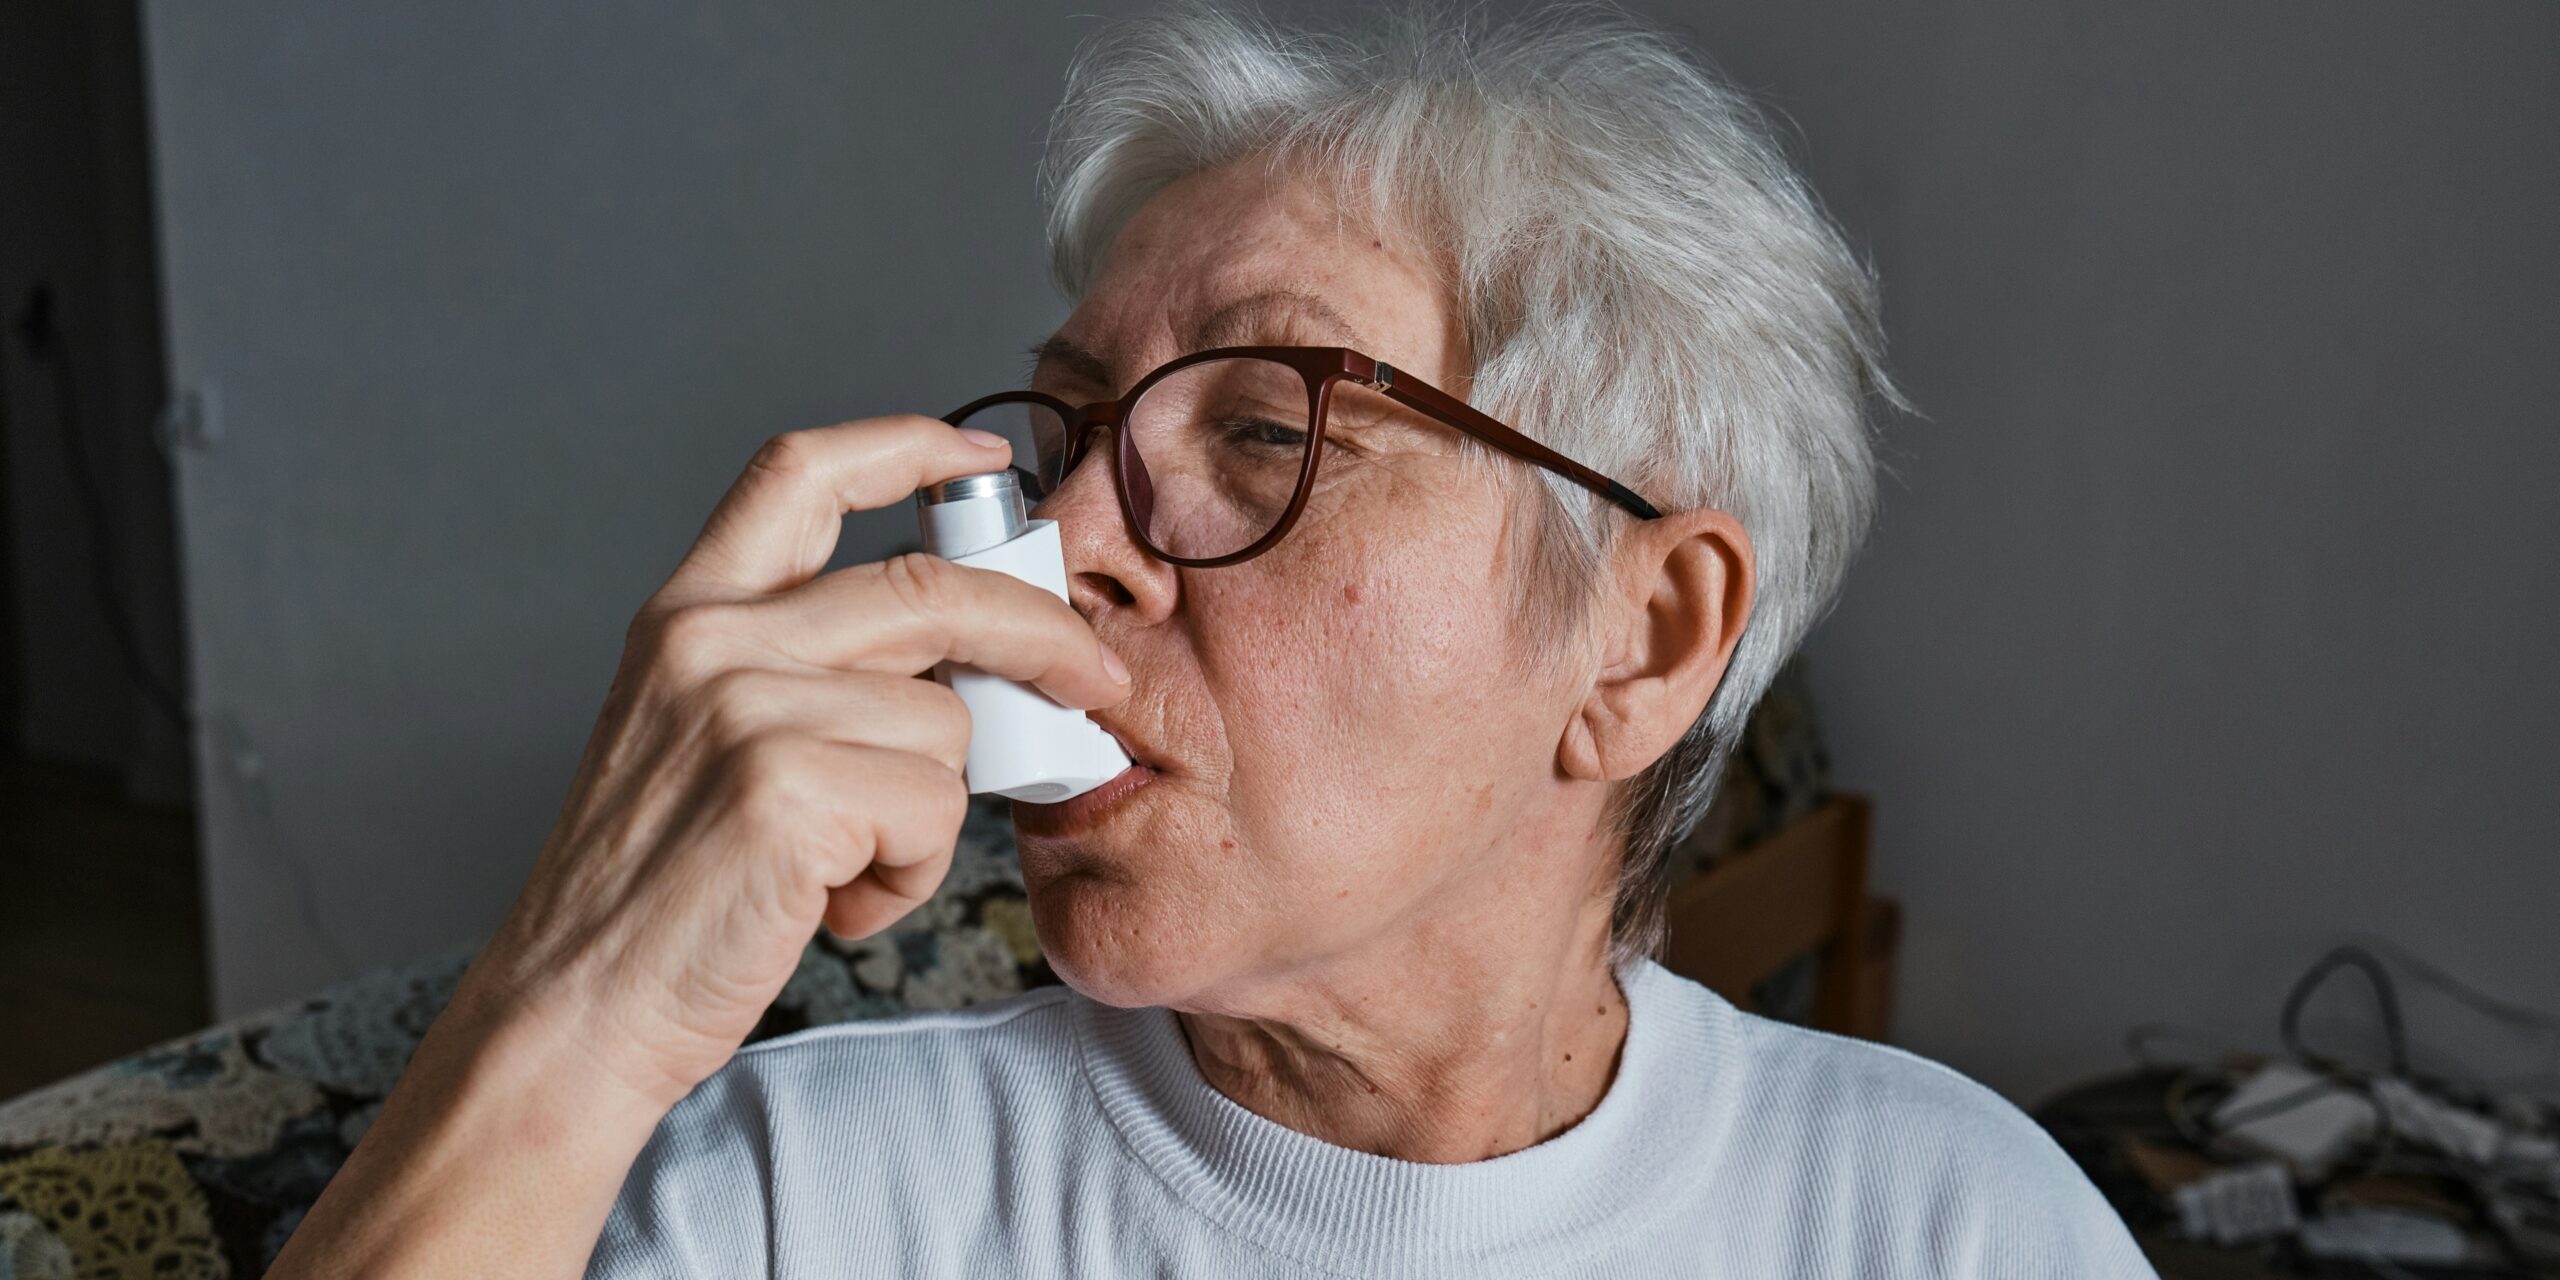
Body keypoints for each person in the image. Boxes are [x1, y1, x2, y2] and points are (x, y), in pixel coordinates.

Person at [269, 6, 2157, 1277]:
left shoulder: (1946, 1227)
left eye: (1262, 432)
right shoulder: (805, 1202)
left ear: (1644, 643)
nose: (1065, 549)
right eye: (1065, 441)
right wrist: (573, 1011)